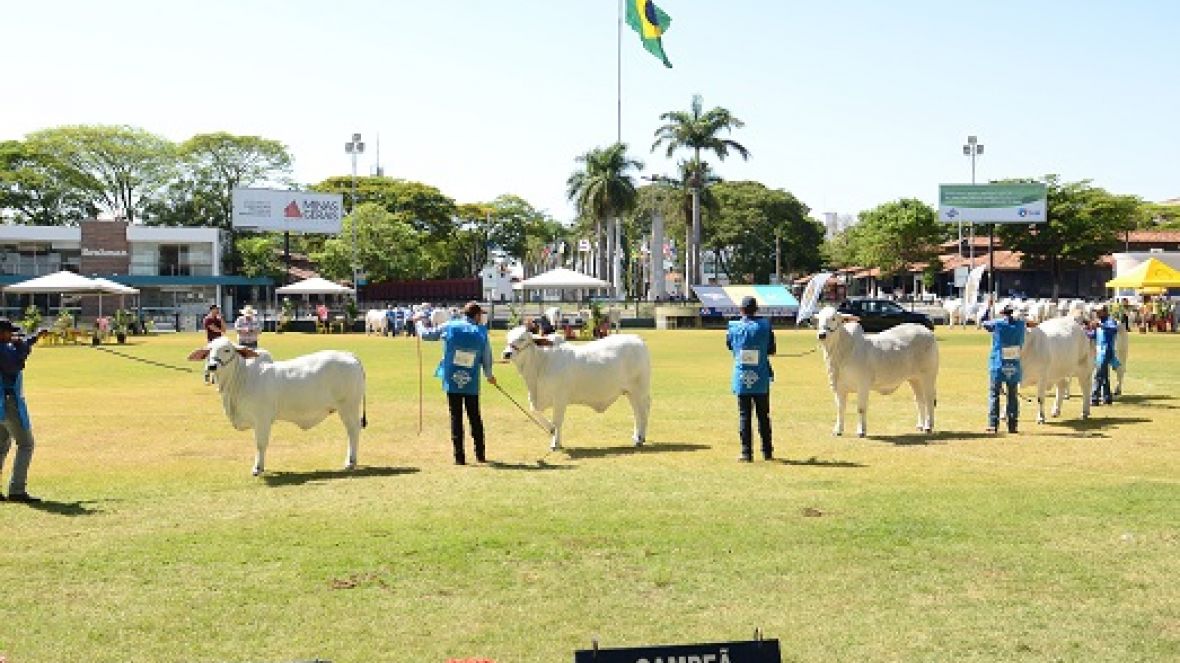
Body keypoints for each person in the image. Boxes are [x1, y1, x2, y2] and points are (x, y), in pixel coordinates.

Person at [416, 301, 497, 465]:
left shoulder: (450, 325)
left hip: (452, 379)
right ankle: (480, 454)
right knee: (475, 417)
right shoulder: (481, 331)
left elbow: (427, 335)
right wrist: (489, 374)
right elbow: (486, 356)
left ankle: (459, 457)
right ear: (476, 315)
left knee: (456, 417)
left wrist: (418, 322)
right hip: (471, 381)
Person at [0, 319, 49, 502]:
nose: (11, 335)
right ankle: (17, 490)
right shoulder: (3, 350)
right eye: (8, 332)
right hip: (8, 403)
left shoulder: (5, 347)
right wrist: (21, 344)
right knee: (26, 444)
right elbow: (16, 363)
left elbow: (19, 348)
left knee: (1, 445)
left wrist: (33, 337)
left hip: (1, 404)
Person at [726, 296, 775, 462]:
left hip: (741, 378)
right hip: (761, 377)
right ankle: (767, 451)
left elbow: (729, 345)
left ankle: (746, 453)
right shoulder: (765, 326)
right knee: (763, 416)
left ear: (741, 310)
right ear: (756, 309)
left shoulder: (733, 326)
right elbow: (772, 349)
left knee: (744, 416)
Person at [982, 304, 1035, 434]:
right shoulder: (1020, 325)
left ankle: (993, 424)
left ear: (1003, 313)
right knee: (1012, 395)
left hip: (998, 363)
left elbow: (984, 322)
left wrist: (988, 309)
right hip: (1014, 364)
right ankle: (1013, 424)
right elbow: (1032, 324)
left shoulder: (998, 324)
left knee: (994, 394)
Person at [1088, 304, 1120, 406]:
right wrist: (1084, 331)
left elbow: (1114, 328)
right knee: (1104, 376)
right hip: (1100, 351)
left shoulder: (1109, 321)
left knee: (1098, 375)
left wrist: (1100, 325)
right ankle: (1107, 397)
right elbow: (1093, 335)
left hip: (1106, 350)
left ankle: (1094, 398)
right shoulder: (1099, 322)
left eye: (1099, 312)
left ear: (1105, 312)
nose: (1097, 313)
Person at [202, 305, 226, 384]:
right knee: (209, 359)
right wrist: (221, 331)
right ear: (212, 310)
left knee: (217, 360)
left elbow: (224, 329)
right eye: (216, 309)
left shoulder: (218, 319)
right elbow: (214, 329)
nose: (217, 311)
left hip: (219, 342)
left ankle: (214, 378)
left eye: (218, 309)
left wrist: (222, 320)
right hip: (211, 342)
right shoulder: (207, 319)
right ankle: (207, 376)